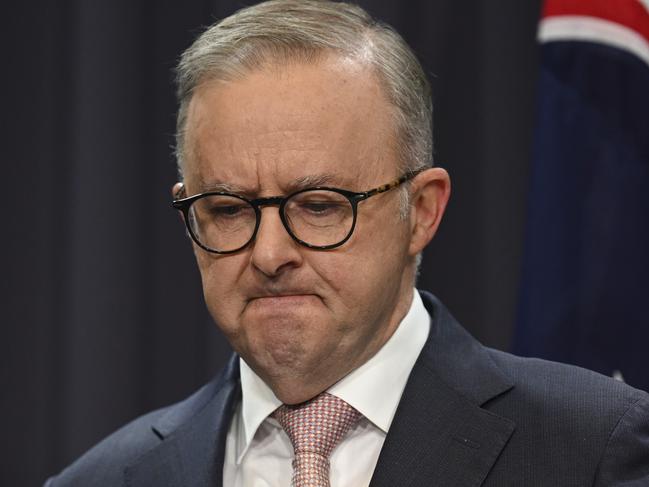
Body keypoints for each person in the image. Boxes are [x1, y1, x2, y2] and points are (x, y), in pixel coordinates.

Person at [45, 1, 649, 486]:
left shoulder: (592, 449)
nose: (269, 255)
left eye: (318, 206)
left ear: (422, 211)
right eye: (228, 209)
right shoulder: (102, 479)